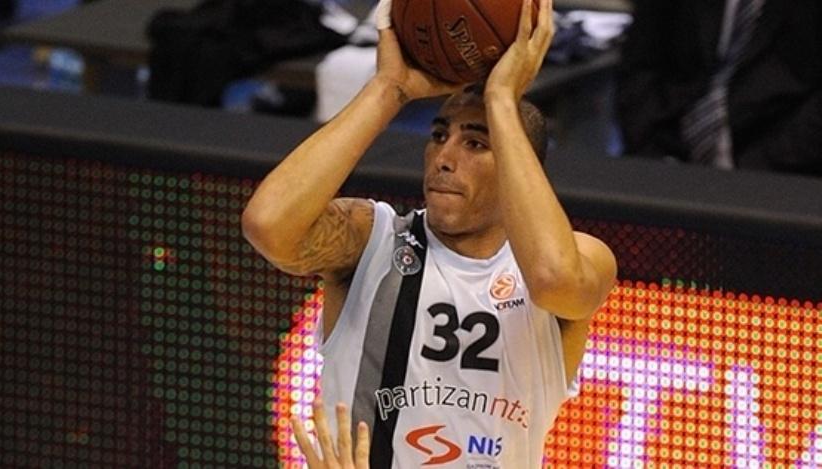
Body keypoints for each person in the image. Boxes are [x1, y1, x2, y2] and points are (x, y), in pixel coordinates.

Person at [242, 0, 617, 465]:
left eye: (476, 142)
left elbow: (553, 279)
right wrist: (388, 89)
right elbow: (267, 224)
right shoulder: (371, 240)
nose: (444, 157)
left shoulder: (583, 257)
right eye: (439, 136)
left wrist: (503, 98)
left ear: (520, 164)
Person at [615, 0, 822, 175]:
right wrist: (652, 154)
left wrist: (752, 169)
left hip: (779, 168)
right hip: (664, 157)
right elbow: (638, 68)